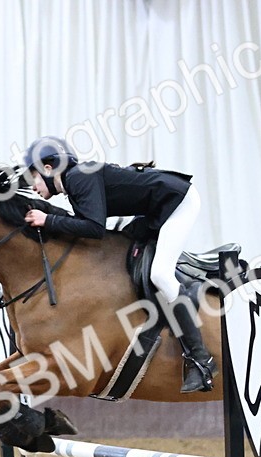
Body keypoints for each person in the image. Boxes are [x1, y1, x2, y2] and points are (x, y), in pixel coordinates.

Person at [20, 136, 216, 393]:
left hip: (177, 201)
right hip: (155, 208)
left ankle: (201, 361)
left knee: (161, 275)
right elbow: (82, 222)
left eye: (33, 177)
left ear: (48, 168)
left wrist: (47, 220)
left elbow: (94, 228)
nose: (33, 186)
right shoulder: (74, 180)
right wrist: (47, 217)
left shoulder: (78, 177)